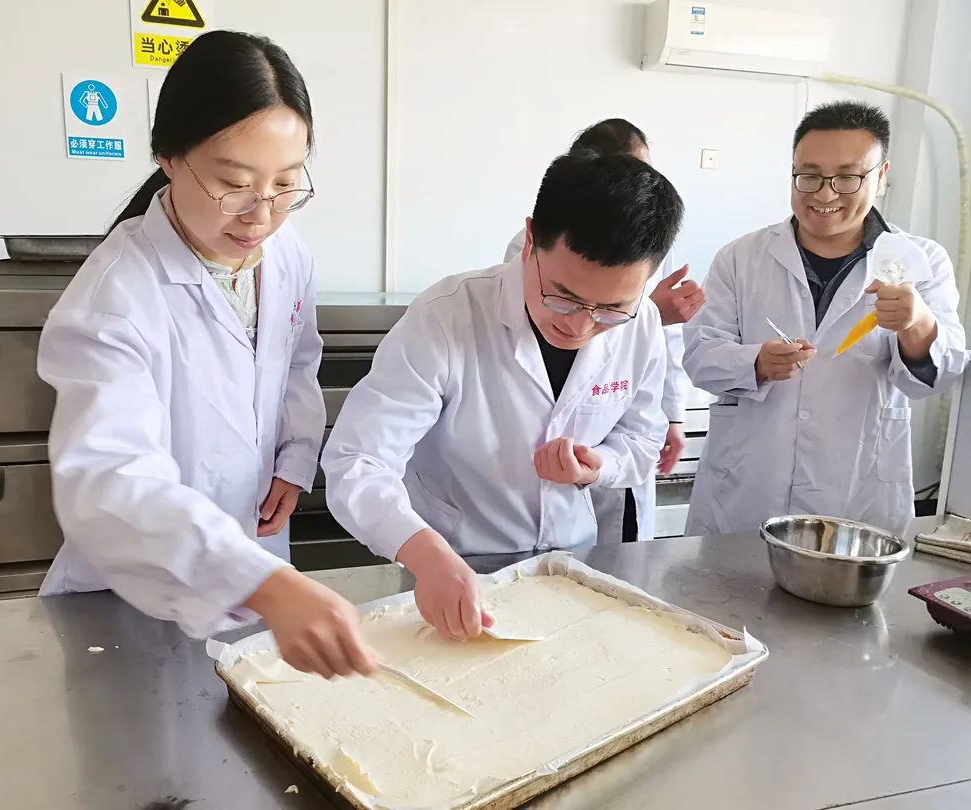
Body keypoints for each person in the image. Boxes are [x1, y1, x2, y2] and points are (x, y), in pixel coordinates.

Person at [36, 31, 375, 679]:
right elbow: (111, 480)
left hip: (256, 555)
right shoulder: (117, 296)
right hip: (134, 599)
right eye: (234, 183)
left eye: (286, 183)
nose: (261, 214)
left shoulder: (287, 254)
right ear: (168, 157)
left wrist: (294, 457)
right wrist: (261, 583)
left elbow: (296, 363)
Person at [323, 151, 684, 639]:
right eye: (563, 297)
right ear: (531, 239)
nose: (580, 326)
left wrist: (598, 465)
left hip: (571, 564)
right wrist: (424, 553)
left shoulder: (642, 325)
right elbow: (359, 461)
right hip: (457, 561)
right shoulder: (447, 317)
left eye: (611, 309)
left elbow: (642, 438)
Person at [684, 101, 967, 537]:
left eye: (847, 178)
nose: (825, 194)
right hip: (746, 488)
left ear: (881, 176)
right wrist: (755, 362)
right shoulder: (741, 257)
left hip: (856, 493)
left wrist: (917, 325)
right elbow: (699, 356)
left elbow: (938, 378)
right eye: (810, 175)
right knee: (726, 579)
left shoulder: (920, 260)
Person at [504, 118, 704, 542]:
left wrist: (673, 415)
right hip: (508, 508)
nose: (633, 187)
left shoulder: (647, 253)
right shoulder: (539, 250)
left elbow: (659, 353)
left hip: (601, 474)